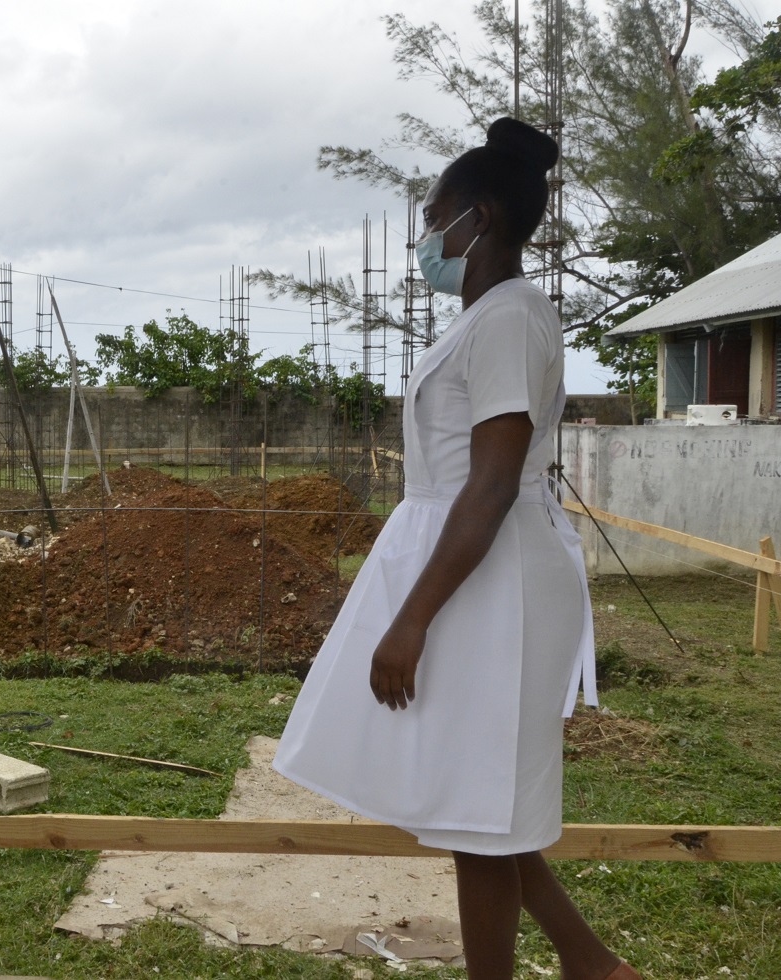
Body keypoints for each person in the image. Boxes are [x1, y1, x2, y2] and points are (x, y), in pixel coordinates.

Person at [273, 118, 640, 980]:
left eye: (432, 217)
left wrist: (410, 621)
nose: (424, 239)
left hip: (490, 579)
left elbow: (489, 483)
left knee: (478, 811)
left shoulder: (508, 318)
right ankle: (593, 965)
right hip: (474, 570)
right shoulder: (489, 318)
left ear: (475, 218)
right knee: (475, 802)